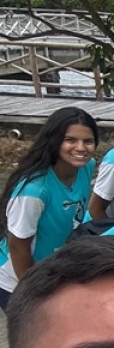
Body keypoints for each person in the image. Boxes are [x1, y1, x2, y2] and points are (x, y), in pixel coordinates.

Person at [0, 107, 98, 309]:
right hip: (16, 277)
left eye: (88, 141)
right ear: (54, 140)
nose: (81, 148)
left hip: (52, 269)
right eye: (70, 140)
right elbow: (18, 246)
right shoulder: (34, 191)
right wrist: (32, 293)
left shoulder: (86, 167)